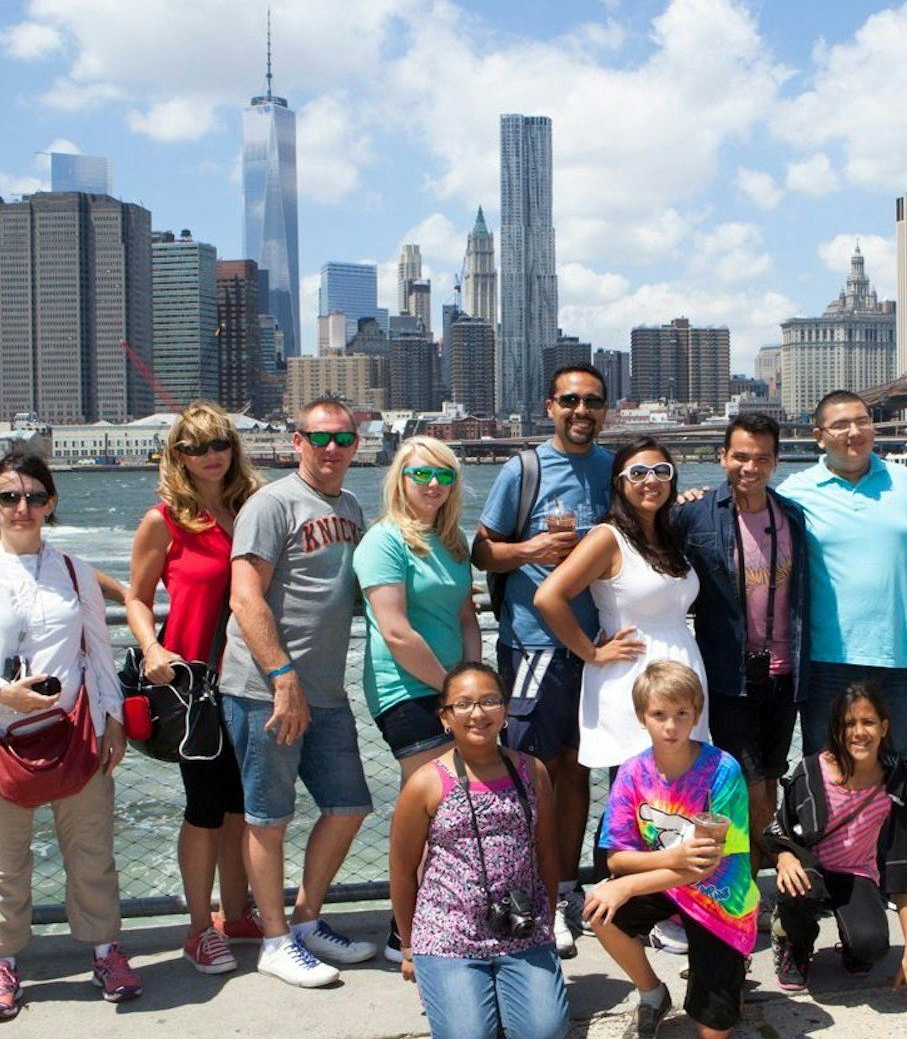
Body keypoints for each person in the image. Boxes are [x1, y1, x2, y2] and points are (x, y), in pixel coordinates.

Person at [220, 398, 375, 987]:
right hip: (266, 690)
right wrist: (283, 679)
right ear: (297, 442)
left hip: (326, 690)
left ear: (356, 445)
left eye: (343, 439)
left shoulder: (353, 505)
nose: (331, 449)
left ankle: (307, 921)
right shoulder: (271, 503)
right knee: (269, 817)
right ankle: (274, 940)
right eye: (320, 438)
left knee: (349, 805)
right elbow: (245, 597)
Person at [473, 364, 614, 957]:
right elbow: (482, 549)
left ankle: (563, 886)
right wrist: (530, 548)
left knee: (578, 770)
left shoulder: (615, 468)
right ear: (550, 406)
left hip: (601, 645)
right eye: (570, 400)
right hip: (533, 645)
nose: (582, 411)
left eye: (593, 402)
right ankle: (532, 897)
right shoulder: (522, 470)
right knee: (531, 774)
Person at [0, 453, 139, 1018]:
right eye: (8, 497)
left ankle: (106, 952)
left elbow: (100, 656)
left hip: (73, 732)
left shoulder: (75, 572)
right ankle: (5, 963)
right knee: (4, 863)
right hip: (3, 737)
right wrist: (5, 695)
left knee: (91, 854)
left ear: (52, 503)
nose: (22, 507)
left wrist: (114, 721)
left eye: (34, 496)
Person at [125, 402, 262, 974]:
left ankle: (237, 912)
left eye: (220, 444)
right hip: (194, 686)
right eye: (198, 447)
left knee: (239, 805)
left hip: (250, 678)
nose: (211, 456)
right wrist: (153, 647)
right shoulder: (165, 520)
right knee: (205, 806)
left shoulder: (253, 509)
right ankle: (198, 928)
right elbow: (136, 597)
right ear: (177, 455)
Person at [389, 661, 569, 1039]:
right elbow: (402, 871)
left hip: (519, 925)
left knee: (542, 1038)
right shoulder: (426, 782)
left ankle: (509, 981)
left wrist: (541, 922)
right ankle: (452, 982)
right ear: (445, 717)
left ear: (505, 711)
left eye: (490, 701)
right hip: (449, 930)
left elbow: (547, 856)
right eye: (464, 704)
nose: (478, 713)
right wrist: (407, 948)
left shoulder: (532, 770)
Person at [584, 661, 758, 1039]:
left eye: (682, 714)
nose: (671, 726)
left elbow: (707, 865)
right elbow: (617, 860)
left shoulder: (722, 770)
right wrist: (672, 858)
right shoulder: (631, 773)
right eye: (659, 714)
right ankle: (651, 994)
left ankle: (726, 968)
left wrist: (630, 883)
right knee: (599, 907)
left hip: (720, 900)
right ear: (641, 717)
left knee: (713, 1034)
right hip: (669, 886)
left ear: (697, 712)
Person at [671, 413, 808, 907]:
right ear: (723, 457)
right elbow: (651, 555)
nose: (750, 467)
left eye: (762, 458)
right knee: (743, 784)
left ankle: (749, 883)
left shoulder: (791, 516)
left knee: (768, 778)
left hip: (785, 674)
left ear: (776, 460)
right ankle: (741, 890)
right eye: (741, 456)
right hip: (728, 675)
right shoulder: (695, 513)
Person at [355, 435, 481, 961]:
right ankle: (403, 930)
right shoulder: (383, 542)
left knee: (452, 807)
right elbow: (398, 632)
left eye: (445, 476)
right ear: (399, 480)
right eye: (421, 474)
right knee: (432, 807)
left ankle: (442, 915)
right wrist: (453, 691)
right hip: (405, 690)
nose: (433, 484)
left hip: (451, 690)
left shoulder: (451, 542)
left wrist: (473, 678)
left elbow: (465, 615)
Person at [776, 390, 907, 761]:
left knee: (894, 766)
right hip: (826, 659)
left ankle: (891, 825)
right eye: (840, 425)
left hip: (898, 655)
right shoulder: (794, 493)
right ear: (818, 437)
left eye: (862, 421)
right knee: (827, 768)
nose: (854, 431)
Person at [536, 437, 709, 772]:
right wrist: (592, 653)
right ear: (619, 483)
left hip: (683, 670)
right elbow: (548, 596)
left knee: (677, 789)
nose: (651, 480)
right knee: (637, 789)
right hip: (633, 675)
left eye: (662, 471)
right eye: (638, 473)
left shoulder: (668, 535)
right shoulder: (608, 537)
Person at [763, 682, 907, 1008]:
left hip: (858, 873)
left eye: (867, 722)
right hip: (810, 871)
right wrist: (784, 857)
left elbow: (902, 863)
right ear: (836, 731)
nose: (858, 732)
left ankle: (852, 941)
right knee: (798, 886)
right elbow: (779, 829)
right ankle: (794, 941)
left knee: (873, 947)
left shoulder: (897, 780)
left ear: (884, 727)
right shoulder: (811, 772)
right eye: (848, 724)